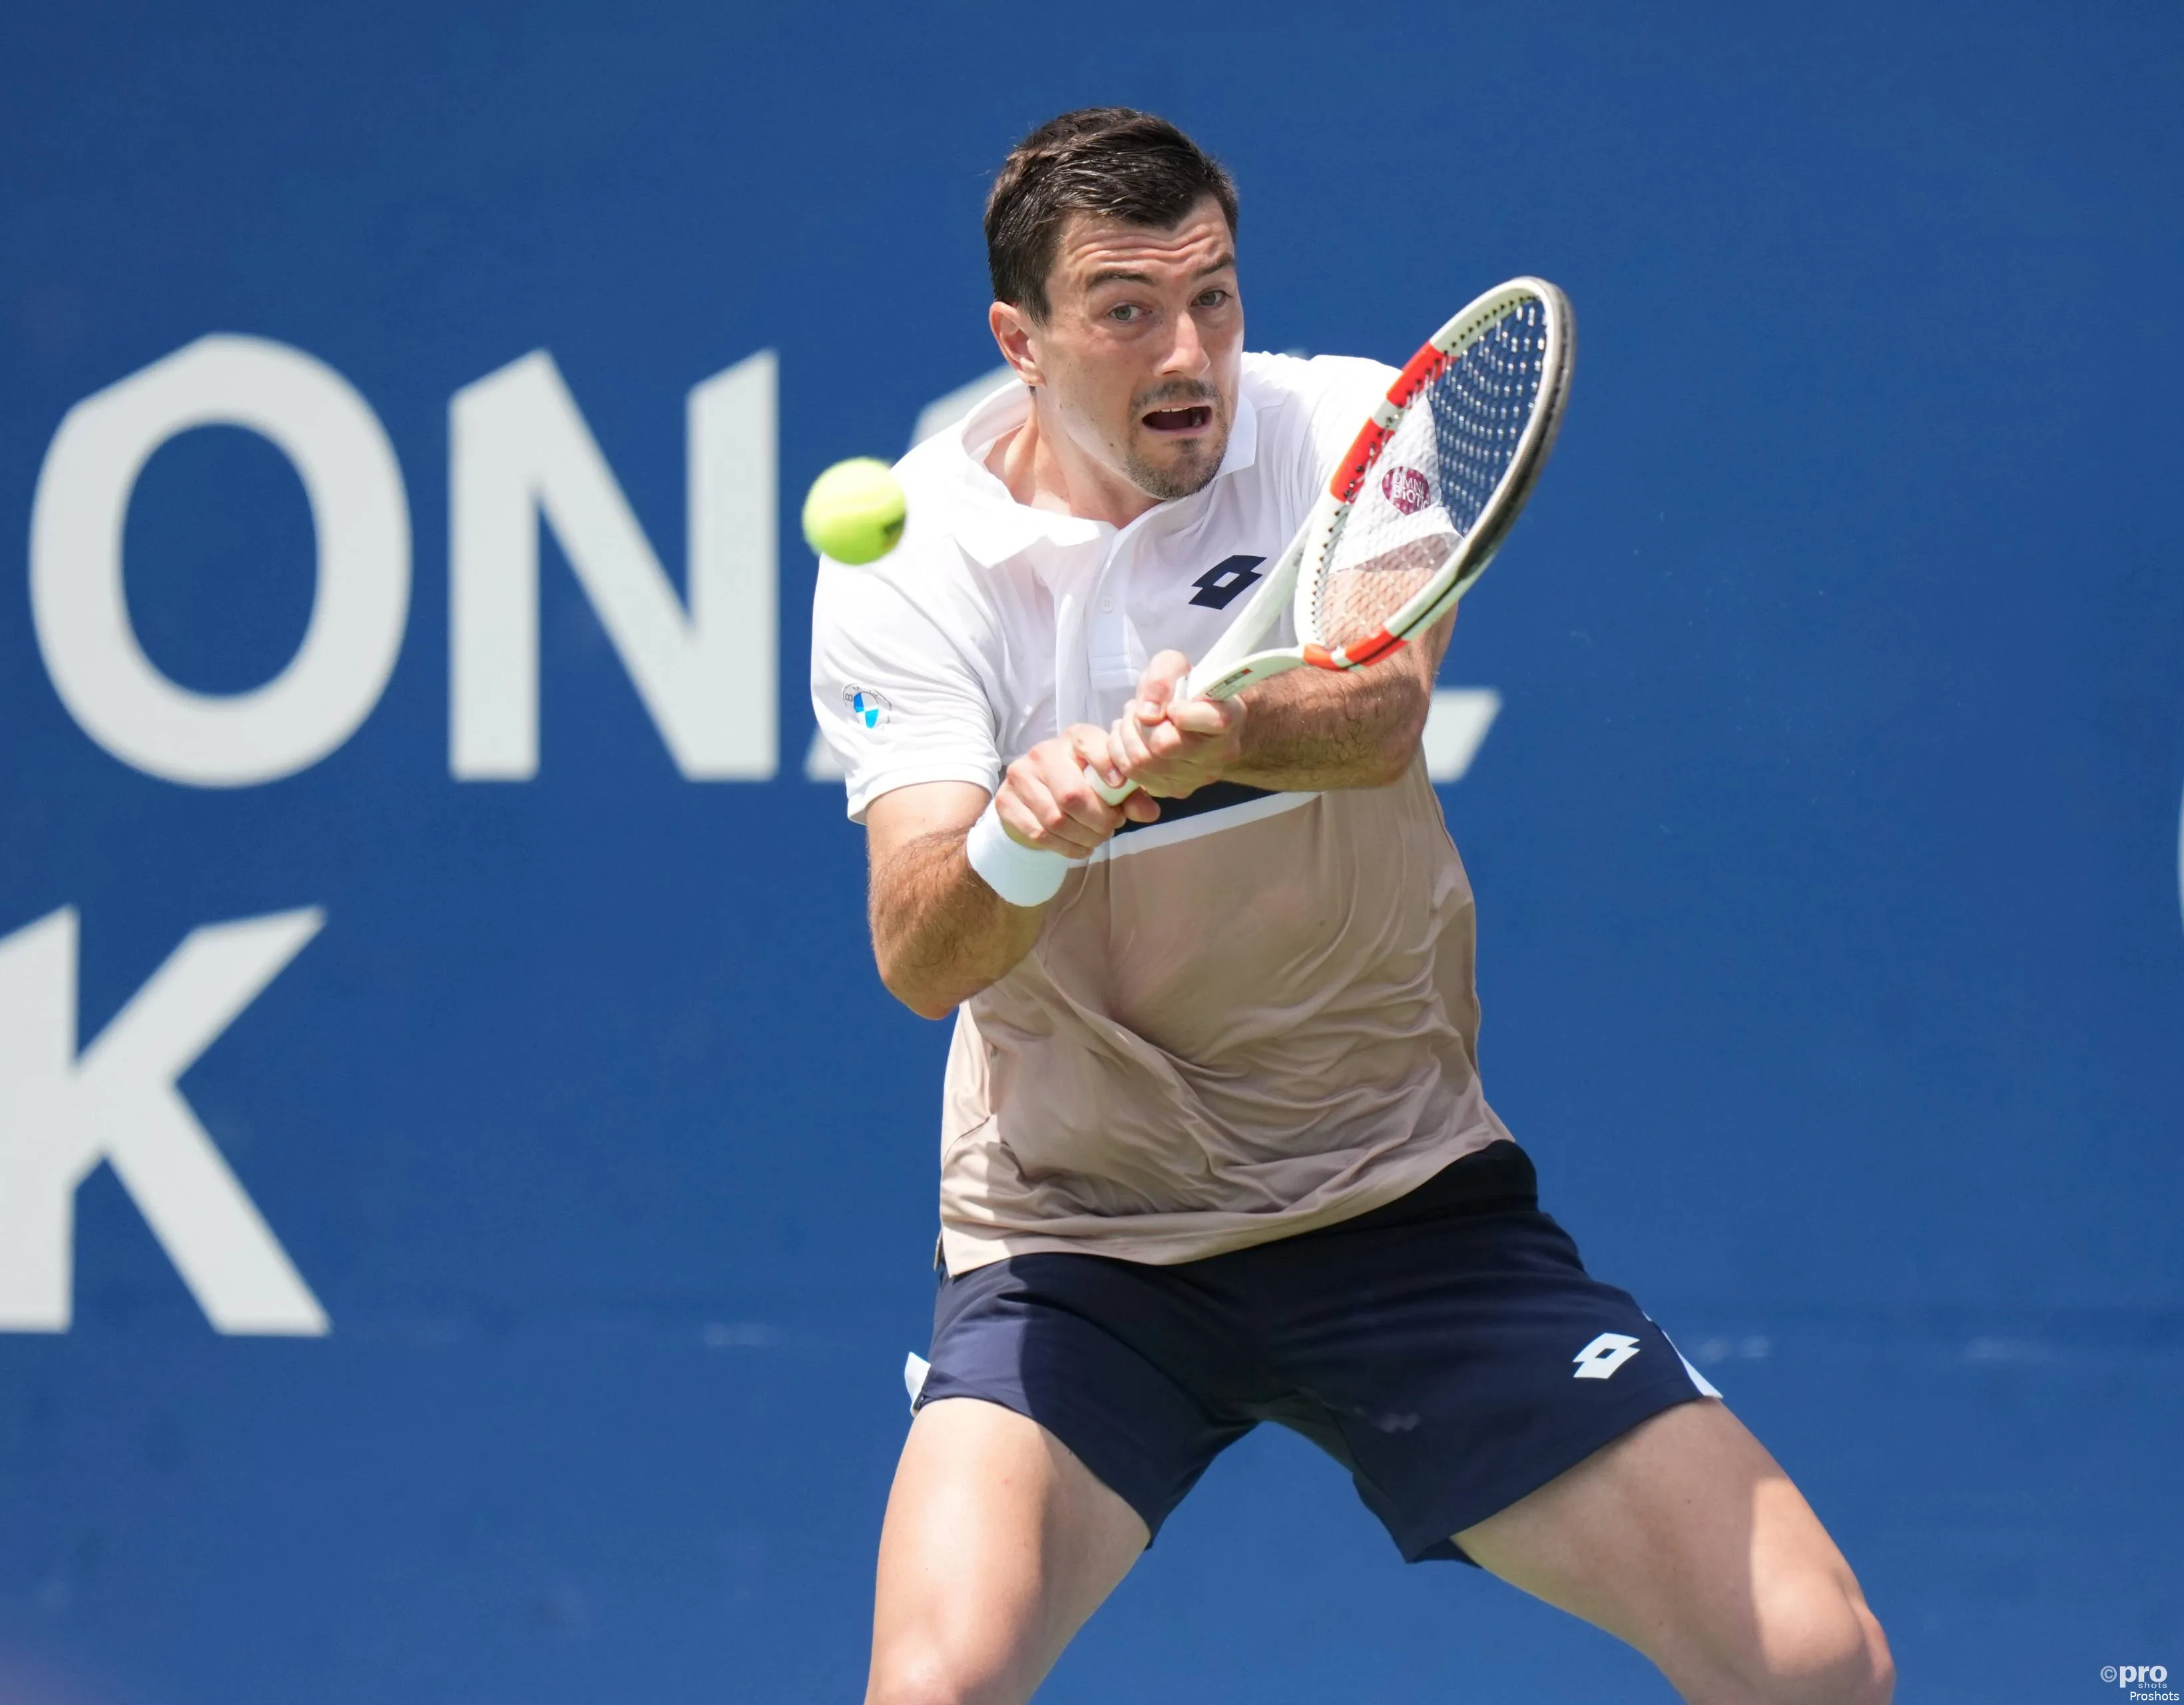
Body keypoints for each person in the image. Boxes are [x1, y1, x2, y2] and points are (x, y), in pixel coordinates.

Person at [808, 108, 1894, 1705]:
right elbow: (921, 952)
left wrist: (1223, 731)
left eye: (1214, 296)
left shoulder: (1347, 432)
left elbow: (1381, 712)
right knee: (936, 1685)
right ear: (1020, 340)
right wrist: (1024, 842)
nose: (1189, 351)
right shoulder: (917, 562)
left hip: (1393, 1197)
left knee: (1812, 1656)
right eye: (1126, 309)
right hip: (1077, 1234)